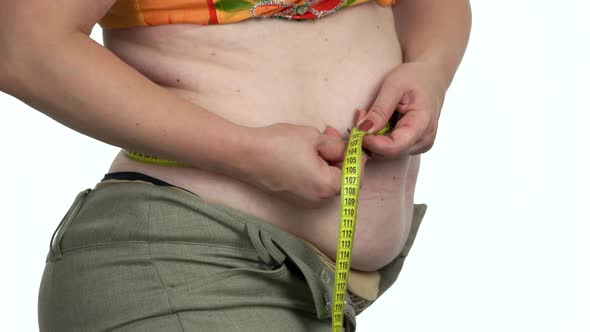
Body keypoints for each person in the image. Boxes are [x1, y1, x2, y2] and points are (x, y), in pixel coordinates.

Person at [0, 0, 471, 330]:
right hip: (187, 262)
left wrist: (431, 67)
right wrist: (248, 152)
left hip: (316, 287)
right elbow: (22, 46)